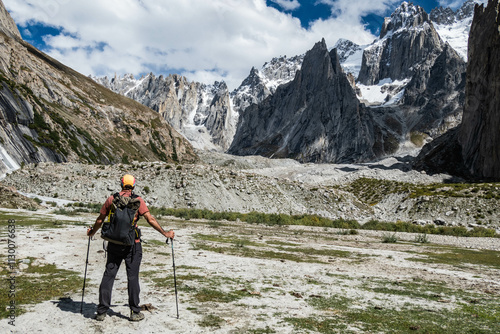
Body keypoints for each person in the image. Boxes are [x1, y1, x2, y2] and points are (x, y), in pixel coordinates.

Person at [87, 174, 175, 322]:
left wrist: (92, 232)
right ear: (133, 185)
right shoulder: (138, 200)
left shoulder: (111, 199)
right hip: (133, 244)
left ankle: (101, 312)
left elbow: (100, 219)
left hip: (114, 243)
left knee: (109, 275)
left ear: (121, 184)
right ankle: (134, 312)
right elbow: (150, 219)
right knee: (132, 277)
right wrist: (165, 233)